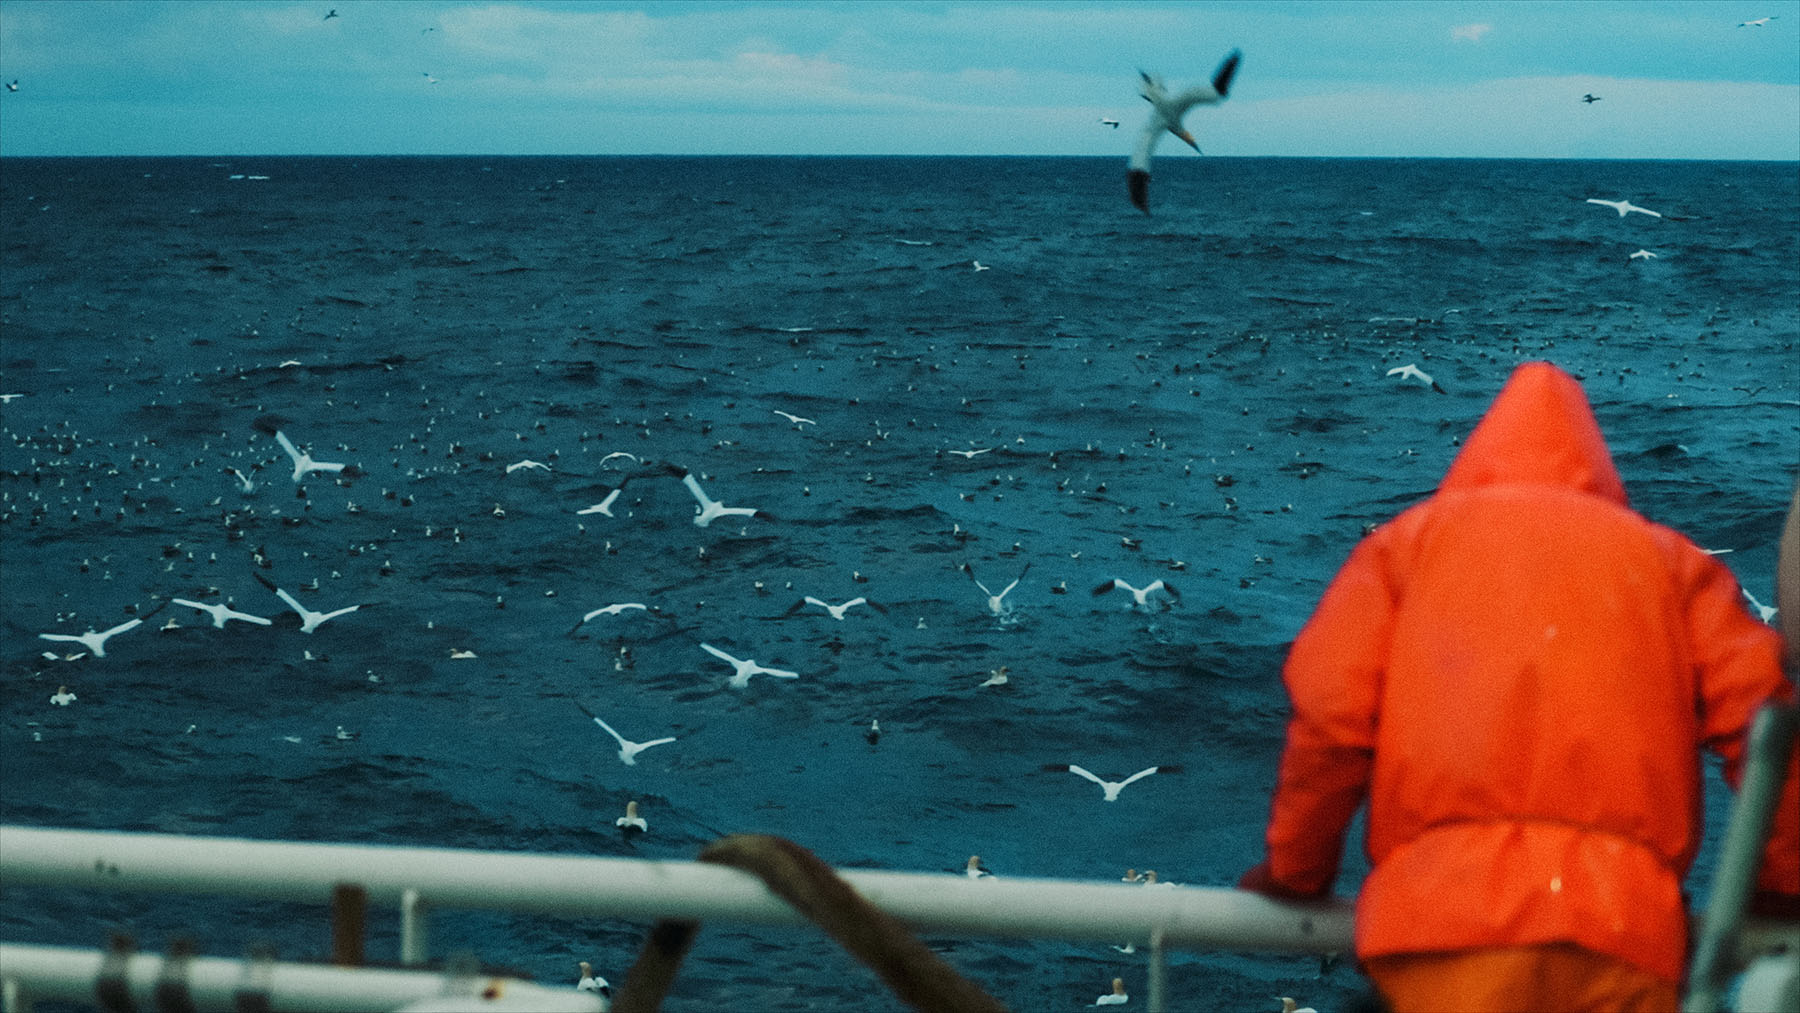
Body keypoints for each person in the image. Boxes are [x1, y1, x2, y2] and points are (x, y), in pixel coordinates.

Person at [1237, 361, 1800, 1012]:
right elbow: (1765, 725)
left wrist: (1296, 873)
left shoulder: (1401, 552)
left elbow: (1330, 722)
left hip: (1439, 935)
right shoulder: (1671, 566)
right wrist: (1784, 885)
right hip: (1618, 939)